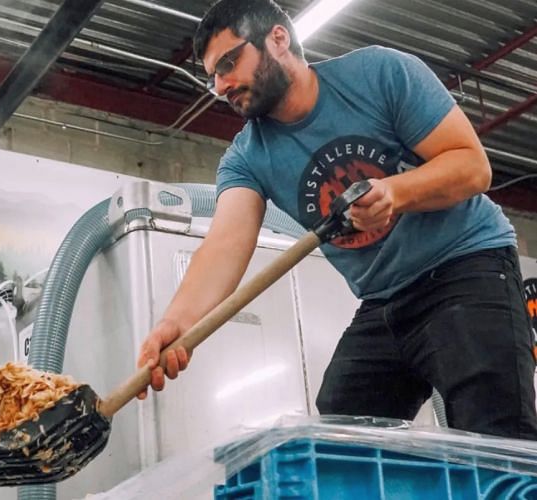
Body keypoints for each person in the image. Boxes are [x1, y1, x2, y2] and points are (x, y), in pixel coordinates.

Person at [136, 0, 537, 440]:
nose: (221, 84)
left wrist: (395, 193)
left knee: (494, 434)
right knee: (343, 430)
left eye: (230, 62)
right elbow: (223, 247)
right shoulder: (246, 158)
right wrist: (178, 321)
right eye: (213, 75)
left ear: (277, 39)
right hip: (383, 298)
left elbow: (472, 167)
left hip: (464, 266)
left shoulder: (378, 74)